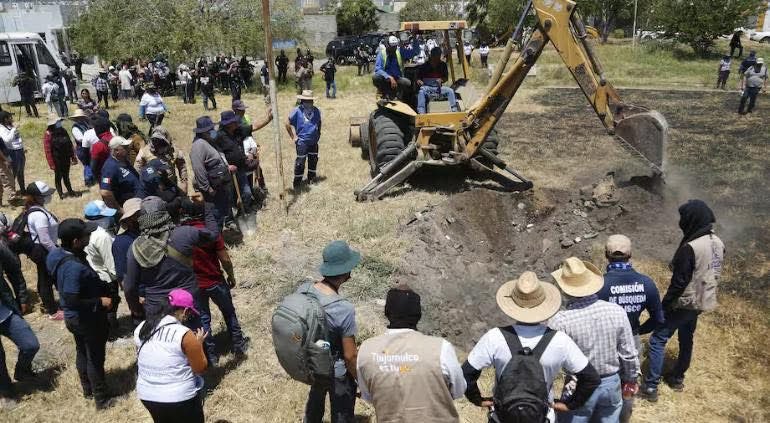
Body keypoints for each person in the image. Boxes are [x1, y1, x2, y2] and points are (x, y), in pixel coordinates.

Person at [464, 271, 600, 423]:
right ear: (544, 305)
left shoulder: (494, 337)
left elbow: (466, 373)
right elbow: (591, 378)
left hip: (502, 417)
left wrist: (478, 400)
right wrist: (571, 404)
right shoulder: (560, 340)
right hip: (542, 417)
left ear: (513, 305)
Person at [642, 200, 725, 402]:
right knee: (686, 338)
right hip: (703, 300)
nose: (681, 222)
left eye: (684, 218)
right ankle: (677, 378)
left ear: (693, 219)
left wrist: (663, 307)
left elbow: (679, 283)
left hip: (685, 302)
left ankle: (651, 386)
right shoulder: (717, 242)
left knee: (657, 339)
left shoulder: (691, 247)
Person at [548, 257, 639, 423]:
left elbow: (550, 362)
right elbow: (628, 354)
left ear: (564, 289)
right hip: (612, 383)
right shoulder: (616, 311)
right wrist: (631, 380)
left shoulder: (560, 321)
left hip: (578, 385)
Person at [358, 285, 466, 421]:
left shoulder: (367, 349)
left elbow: (368, 395)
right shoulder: (441, 348)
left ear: (387, 312)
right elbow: (458, 390)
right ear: (418, 314)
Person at [46, 218, 115, 410]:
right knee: (95, 356)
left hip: (73, 318)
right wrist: (99, 301)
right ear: (76, 241)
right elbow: (71, 298)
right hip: (86, 318)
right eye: (86, 235)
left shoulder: (56, 254)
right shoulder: (74, 268)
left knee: (82, 350)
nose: (90, 236)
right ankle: (102, 399)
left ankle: (87, 389)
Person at [598, 235, 664, 422]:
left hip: (605, 342)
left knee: (606, 382)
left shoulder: (599, 284)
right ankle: (624, 418)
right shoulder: (646, 283)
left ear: (606, 255)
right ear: (630, 255)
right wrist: (638, 330)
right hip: (632, 340)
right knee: (629, 383)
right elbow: (658, 319)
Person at [123, 196, 215, 320]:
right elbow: (212, 235)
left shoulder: (135, 248)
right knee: (195, 337)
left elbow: (129, 287)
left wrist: (136, 308)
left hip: (157, 310)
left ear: (142, 219)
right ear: (165, 214)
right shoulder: (185, 233)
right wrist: (207, 208)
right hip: (187, 305)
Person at [180, 200, 247, 365]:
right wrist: (231, 275)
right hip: (215, 280)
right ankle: (239, 344)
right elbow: (225, 258)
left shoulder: (181, 236)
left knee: (203, 320)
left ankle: (211, 356)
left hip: (195, 285)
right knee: (229, 312)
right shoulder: (210, 232)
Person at [302, 240, 361, 423]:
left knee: (316, 398)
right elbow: (350, 356)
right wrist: (360, 380)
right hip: (336, 369)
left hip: (312, 359)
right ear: (346, 273)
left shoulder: (305, 290)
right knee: (342, 411)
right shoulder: (343, 309)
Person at [135, 289, 207, 423]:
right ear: (185, 311)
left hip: (147, 394)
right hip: (179, 397)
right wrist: (198, 345)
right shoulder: (183, 334)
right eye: (189, 313)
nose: (188, 317)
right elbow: (200, 368)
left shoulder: (141, 328)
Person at [0, 212, 39, 406]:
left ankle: (22, 371)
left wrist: (22, 296)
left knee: (30, 344)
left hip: (4, 311)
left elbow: (13, 269)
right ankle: (6, 392)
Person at [22, 182, 62, 320]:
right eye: (46, 195)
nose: (49, 197)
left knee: (45, 278)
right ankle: (52, 311)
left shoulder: (38, 209)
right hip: (44, 250)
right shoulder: (38, 215)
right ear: (36, 197)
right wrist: (56, 252)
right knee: (46, 280)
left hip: (43, 249)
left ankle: (48, 305)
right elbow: (45, 239)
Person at [83, 200, 122, 339]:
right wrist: (120, 279)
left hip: (95, 274)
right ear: (97, 218)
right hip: (107, 278)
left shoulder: (86, 230)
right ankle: (111, 333)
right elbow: (110, 262)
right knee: (111, 304)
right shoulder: (102, 236)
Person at [190, 117, 232, 234]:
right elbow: (198, 169)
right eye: (210, 129)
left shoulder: (208, 140)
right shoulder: (198, 145)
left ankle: (219, 239)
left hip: (218, 185)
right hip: (211, 190)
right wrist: (207, 188)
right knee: (214, 216)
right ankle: (216, 243)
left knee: (220, 213)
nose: (213, 130)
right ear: (203, 132)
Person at [112, 198, 141, 323]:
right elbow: (123, 278)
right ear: (129, 220)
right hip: (140, 298)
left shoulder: (148, 234)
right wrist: (134, 303)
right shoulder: (122, 243)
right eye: (137, 215)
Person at [134, 126, 188, 194]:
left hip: (171, 186)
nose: (157, 143)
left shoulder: (174, 151)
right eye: (155, 140)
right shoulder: (144, 152)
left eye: (160, 141)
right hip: (153, 189)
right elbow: (137, 170)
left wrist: (184, 182)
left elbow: (182, 166)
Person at [286, 90, 322, 190]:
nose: (309, 103)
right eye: (306, 101)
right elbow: (287, 123)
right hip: (302, 142)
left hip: (313, 141)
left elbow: (319, 122)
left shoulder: (316, 111)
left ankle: (311, 178)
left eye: (310, 101)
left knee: (313, 160)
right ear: (302, 101)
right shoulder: (297, 111)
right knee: (300, 162)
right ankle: (297, 183)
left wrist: (318, 133)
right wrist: (294, 137)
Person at [99, 136, 143, 212]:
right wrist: (119, 209)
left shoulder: (123, 160)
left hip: (139, 201)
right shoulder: (110, 167)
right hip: (130, 207)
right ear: (116, 151)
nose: (128, 148)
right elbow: (105, 192)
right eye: (125, 147)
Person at [42, 115, 78, 199]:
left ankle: (70, 191)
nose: (59, 123)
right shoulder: (48, 134)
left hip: (66, 156)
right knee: (58, 176)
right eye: (57, 121)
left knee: (66, 175)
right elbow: (47, 150)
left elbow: (69, 144)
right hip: (56, 159)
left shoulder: (63, 130)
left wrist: (73, 156)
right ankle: (60, 193)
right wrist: (51, 164)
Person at [416, 47, 459, 114]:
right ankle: (421, 112)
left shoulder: (443, 65)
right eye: (435, 55)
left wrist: (441, 80)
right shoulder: (424, 66)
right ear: (431, 55)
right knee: (421, 92)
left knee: (450, 91)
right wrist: (419, 81)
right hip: (427, 87)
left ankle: (454, 110)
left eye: (438, 55)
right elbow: (418, 78)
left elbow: (446, 78)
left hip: (438, 87)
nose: (437, 58)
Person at [0, 111, 26, 192]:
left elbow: (17, 138)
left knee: (21, 172)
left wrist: (21, 147)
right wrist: (14, 129)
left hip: (20, 151)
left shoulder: (10, 126)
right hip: (13, 152)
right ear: (5, 119)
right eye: (9, 117)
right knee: (13, 173)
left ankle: (23, 190)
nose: (11, 118)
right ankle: (12, 192)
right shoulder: (1, 128)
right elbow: (7, 140)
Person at [70, 109, 95, 186]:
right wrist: (90, 137)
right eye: (79, 117)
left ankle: (91, 178)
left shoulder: (86, 124)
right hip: (82, 148)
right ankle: (88, 180)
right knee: (87, 163)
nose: (81, 119)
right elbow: (80, 138)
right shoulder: (75, 128)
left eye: (81, 117)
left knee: (90, 162)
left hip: (89, 146)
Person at [89, 117, 114, 183]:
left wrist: (98, 179)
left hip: (106, 177)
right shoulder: (117, 139)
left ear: (97, 130)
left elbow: (93, 167)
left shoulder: (97, 146)